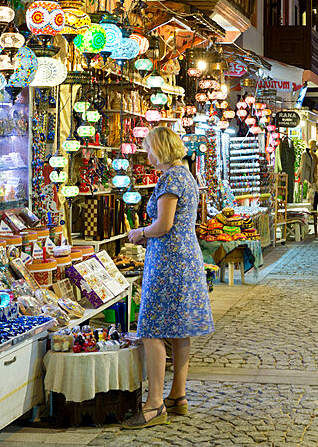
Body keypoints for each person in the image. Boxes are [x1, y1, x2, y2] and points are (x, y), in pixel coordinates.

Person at [122, 127, 214, 429]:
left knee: (151, 328)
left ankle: (154, 404)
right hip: (184, 255)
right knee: (178, 327)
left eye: (148, 148)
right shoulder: (185, 174)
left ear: (160, 149)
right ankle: (178, 396)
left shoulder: (171, 178)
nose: (146, 154)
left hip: (169, 261)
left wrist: (140, 233)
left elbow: (163, 224)